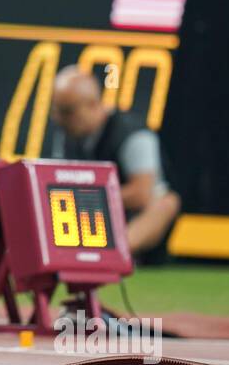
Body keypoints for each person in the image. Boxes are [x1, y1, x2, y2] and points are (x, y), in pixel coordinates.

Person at [49, 65, 181, 258]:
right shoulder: (67, 136)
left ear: (93, 105)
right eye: (57, 111)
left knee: (167, 202)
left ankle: (114, 254)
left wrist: (86, 198)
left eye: (67, 111)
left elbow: (141, 194)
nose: (59, 119)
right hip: (85, 219)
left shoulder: (133, 135)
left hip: (127, 220)